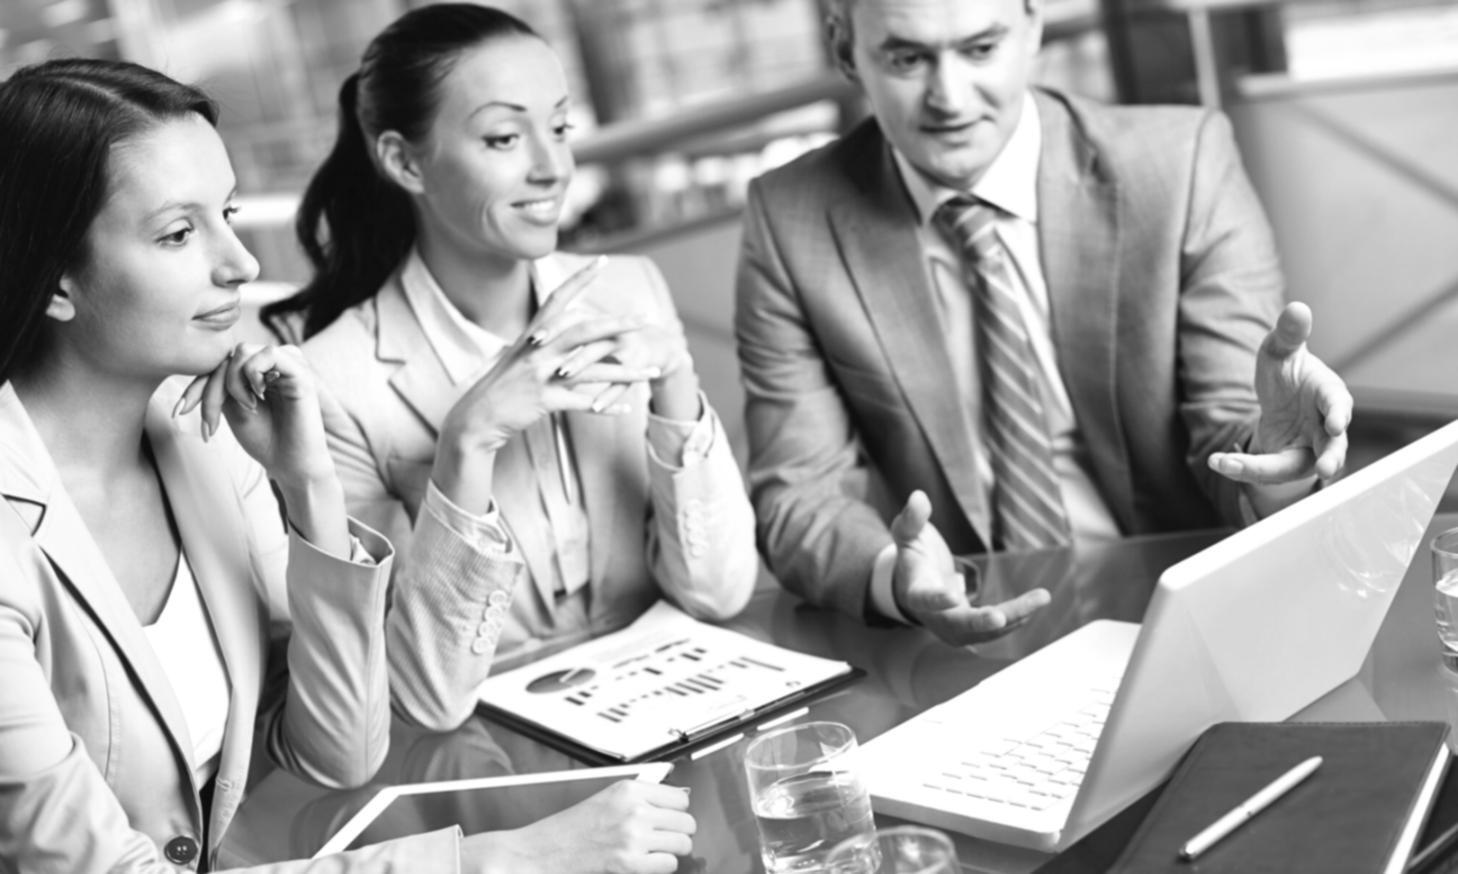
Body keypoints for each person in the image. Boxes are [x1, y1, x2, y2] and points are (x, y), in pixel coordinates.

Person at [0, 58, 693, 874]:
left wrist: (310, 492)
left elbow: (339, 753)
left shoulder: (209, 443)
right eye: (179, 233)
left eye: (227, 213)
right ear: (56, 281)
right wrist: (507, 859)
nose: (241, 263)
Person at [734, 0, 1353, 646]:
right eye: (908, 58)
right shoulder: (791, 219)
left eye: (980, 49)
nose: (948, 97)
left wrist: (1276, 452)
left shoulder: (1183, 164)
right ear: (843, 50)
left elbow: (1227, 428)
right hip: (973, 645)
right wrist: (897, 576)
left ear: (1032, 27)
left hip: (1201, 618)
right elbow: (795, 495)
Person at [263, 3, 757, 734]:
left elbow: (719, 593)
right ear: (404, 160)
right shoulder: (336, 380)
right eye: (503, 137)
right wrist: (466, 442)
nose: (552, 167)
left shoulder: (630, 292)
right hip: (487, 764)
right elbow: (426, 697)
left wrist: (674, 382)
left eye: (560, 128)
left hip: (680, 714)